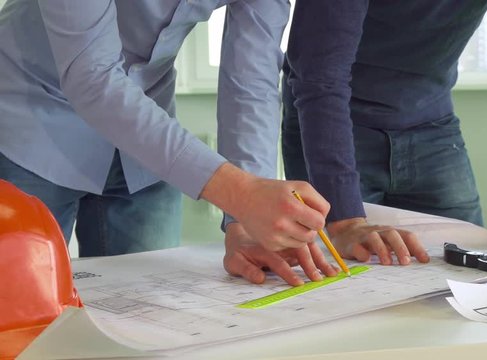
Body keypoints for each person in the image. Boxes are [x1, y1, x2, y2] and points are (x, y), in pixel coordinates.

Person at [0, 0, 337, 286]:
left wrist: (244, 221)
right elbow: (92, 75)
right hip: (31, 123)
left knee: (146, 313)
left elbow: (251, 81)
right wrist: (241, 194)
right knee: (22, 313)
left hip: (146, 142)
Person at [281, 0, 487, 263]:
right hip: (331, 125)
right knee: (341, 286)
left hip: (432, 127)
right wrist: (345, 223)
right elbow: (321, 76)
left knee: (462, 279)